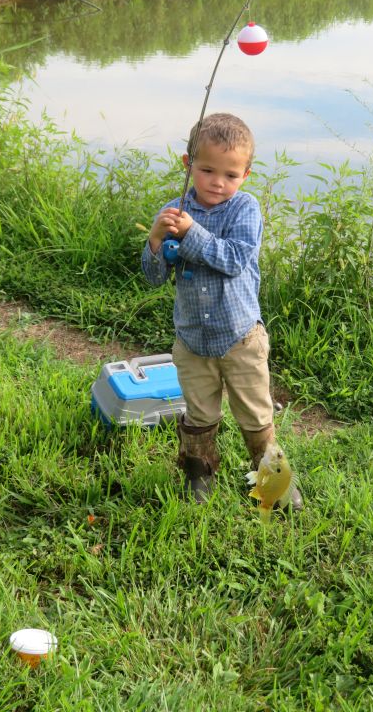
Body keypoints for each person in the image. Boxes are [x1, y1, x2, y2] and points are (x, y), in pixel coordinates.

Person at [141, 112, 302, 509]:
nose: (218, 182)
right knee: (198, 415)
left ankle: (274, 484)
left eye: (230, 175)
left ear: (246, 174)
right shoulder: (174, 211)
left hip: (241, 338)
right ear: (188, 164)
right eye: (207, 169)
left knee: (255, 416)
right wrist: (156, 240)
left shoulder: (245, 209)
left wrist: (191, 232)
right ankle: (200, 474)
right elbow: (154, 277)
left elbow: (233, 259)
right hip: (192, 339)